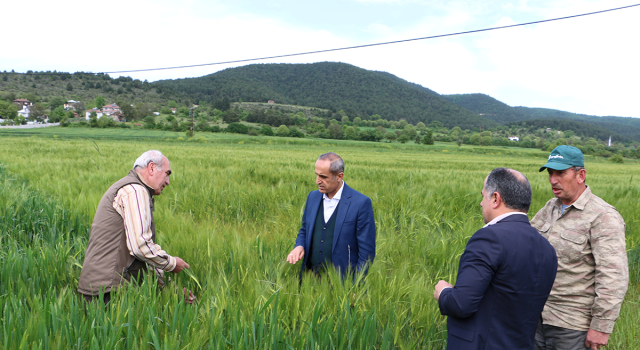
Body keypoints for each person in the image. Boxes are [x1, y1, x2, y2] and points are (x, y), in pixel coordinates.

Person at [434, 168, 558, 350]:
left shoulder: (488, 239)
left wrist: (443, 292)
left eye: (483, 196)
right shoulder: (547, 248)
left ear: (495, 199)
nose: (480, 203)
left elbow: (461, 304)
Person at [532, 145, 628, 350]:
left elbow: (613, 276)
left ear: (580, 175)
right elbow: (526, 245)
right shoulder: (550, 208)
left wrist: (601, 327)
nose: (552, 180)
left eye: (560, 173)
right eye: (550, 173)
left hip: (572, 327)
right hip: (536, 317)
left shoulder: (603, 216)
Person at [78, 150, 193, 304]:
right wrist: (172, 263)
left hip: (100, 286)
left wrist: (171, 289)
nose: (168, 182)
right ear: (151, 168)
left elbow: (143, 255)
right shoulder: (136, 191)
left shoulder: (130, 189)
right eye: (167, 173)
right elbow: (141, 247)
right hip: (109, 290)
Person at [286, 152, 376, 280]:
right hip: (309, 280)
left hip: (342, 283)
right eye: (316, 175)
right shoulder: (313, 197)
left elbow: (366, 253)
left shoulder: (360, 203)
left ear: (339, 176)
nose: (317, 181)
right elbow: (305, 229)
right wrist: (299, 245)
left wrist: (356, 286)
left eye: (323, 176)